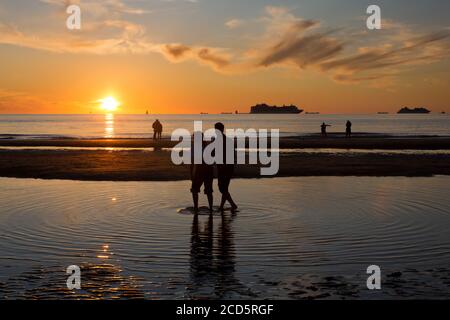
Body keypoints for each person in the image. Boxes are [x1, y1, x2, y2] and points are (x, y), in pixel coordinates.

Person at [214, 122, 238, 212]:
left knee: (221, 187)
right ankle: (222, 206)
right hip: (226, 167)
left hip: (225, 167)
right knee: (224, 188)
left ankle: (232, 204)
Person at [190, 133, 214, 213]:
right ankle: (210, 208)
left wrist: (192, 173)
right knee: (208, 191)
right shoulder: (207, 145)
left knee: (194, 189)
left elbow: (193, 162)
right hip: (208, 170)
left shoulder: (195, 146)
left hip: (200, 170)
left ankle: (196, 207)